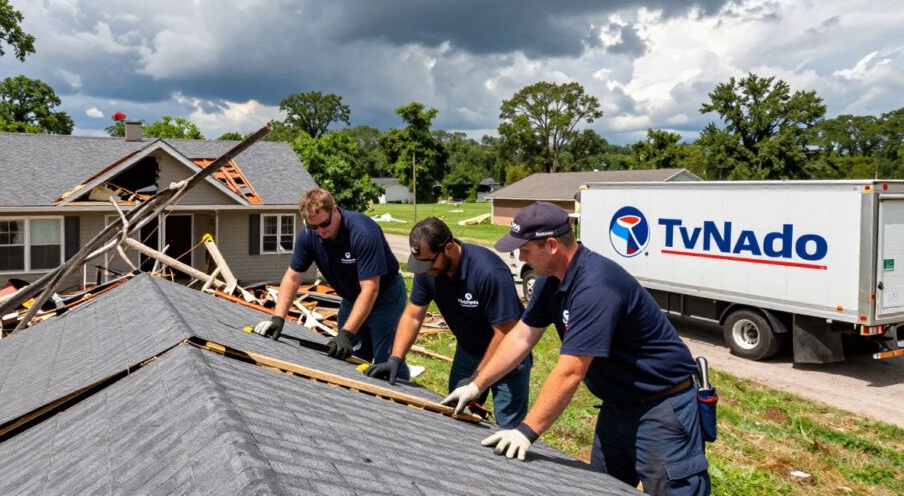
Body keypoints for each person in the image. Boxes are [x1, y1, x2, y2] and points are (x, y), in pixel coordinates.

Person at [442, 202, 710, 496]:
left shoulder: (595, 287)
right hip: (617, 408)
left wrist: (526, 431)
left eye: (525, 249)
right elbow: (521, 337)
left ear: (552, 245)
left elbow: (571, 371)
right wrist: (476, 384)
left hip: (663, 410)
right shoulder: (549, 282)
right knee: (602, 487)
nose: (520, 257)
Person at [364, 217, 531, 428]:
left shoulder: (488, 272)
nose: (425, 269)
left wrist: (478, 378)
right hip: (468, 350)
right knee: (456, 412)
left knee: (508, 426)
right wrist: (395, 358)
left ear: (449, 248)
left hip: (508, 354)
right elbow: (413, 315)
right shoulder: (428, 271)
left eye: (429, 262)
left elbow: (506, 333)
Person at [252, 188, 409, 380]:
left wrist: (346, 333)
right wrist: (278, 318)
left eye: (324, 224)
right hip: (352, 298)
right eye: (314, 227)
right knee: (348, 357)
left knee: (386, 361)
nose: (321, 231)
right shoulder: (309, 236)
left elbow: (370, 288)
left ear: (335, 210)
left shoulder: (362, 232)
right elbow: (293, 277)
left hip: (385, 298)